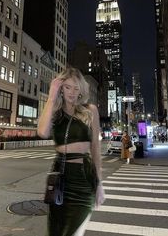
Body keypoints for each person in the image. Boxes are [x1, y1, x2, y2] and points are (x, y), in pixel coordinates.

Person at [37, 66, 105, 236]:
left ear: (81, 90)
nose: (72, 92)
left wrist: (99, 184)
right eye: (67, 87)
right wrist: (51, 96)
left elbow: (95, 149)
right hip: (58, 178)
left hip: (82, 179)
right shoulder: (55, 112)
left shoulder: (90, 111)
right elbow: (42, 132)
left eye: (76, 88)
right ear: (61, 88)